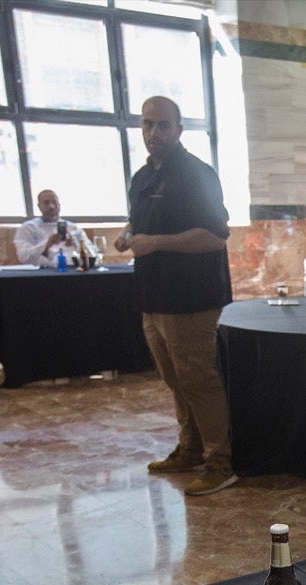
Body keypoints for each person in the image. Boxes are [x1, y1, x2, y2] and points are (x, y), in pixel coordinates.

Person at [115, 96, 237, 496]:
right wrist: (129, 232)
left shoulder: (196, 174)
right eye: (148, 125)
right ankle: (190, 448)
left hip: (192, 299)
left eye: (163, 125)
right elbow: (143, 216)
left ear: (179, 130)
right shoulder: (143, 176)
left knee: (197, 379)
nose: (154, 133)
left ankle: (221, 462)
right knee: (174, 379)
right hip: (153, 297)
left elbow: (215, 235)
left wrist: (156, 242)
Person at [13, 189, 86, 267]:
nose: (51, 206)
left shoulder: (73, 227)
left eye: (54, 202)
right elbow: (23, 257)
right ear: (39, 206)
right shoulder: (28, 228)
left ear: (59, 205)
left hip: (75, 270)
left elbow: (94, 254)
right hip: (44, 273)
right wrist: (46, 244)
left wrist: (78, 245)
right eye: (46, 203)